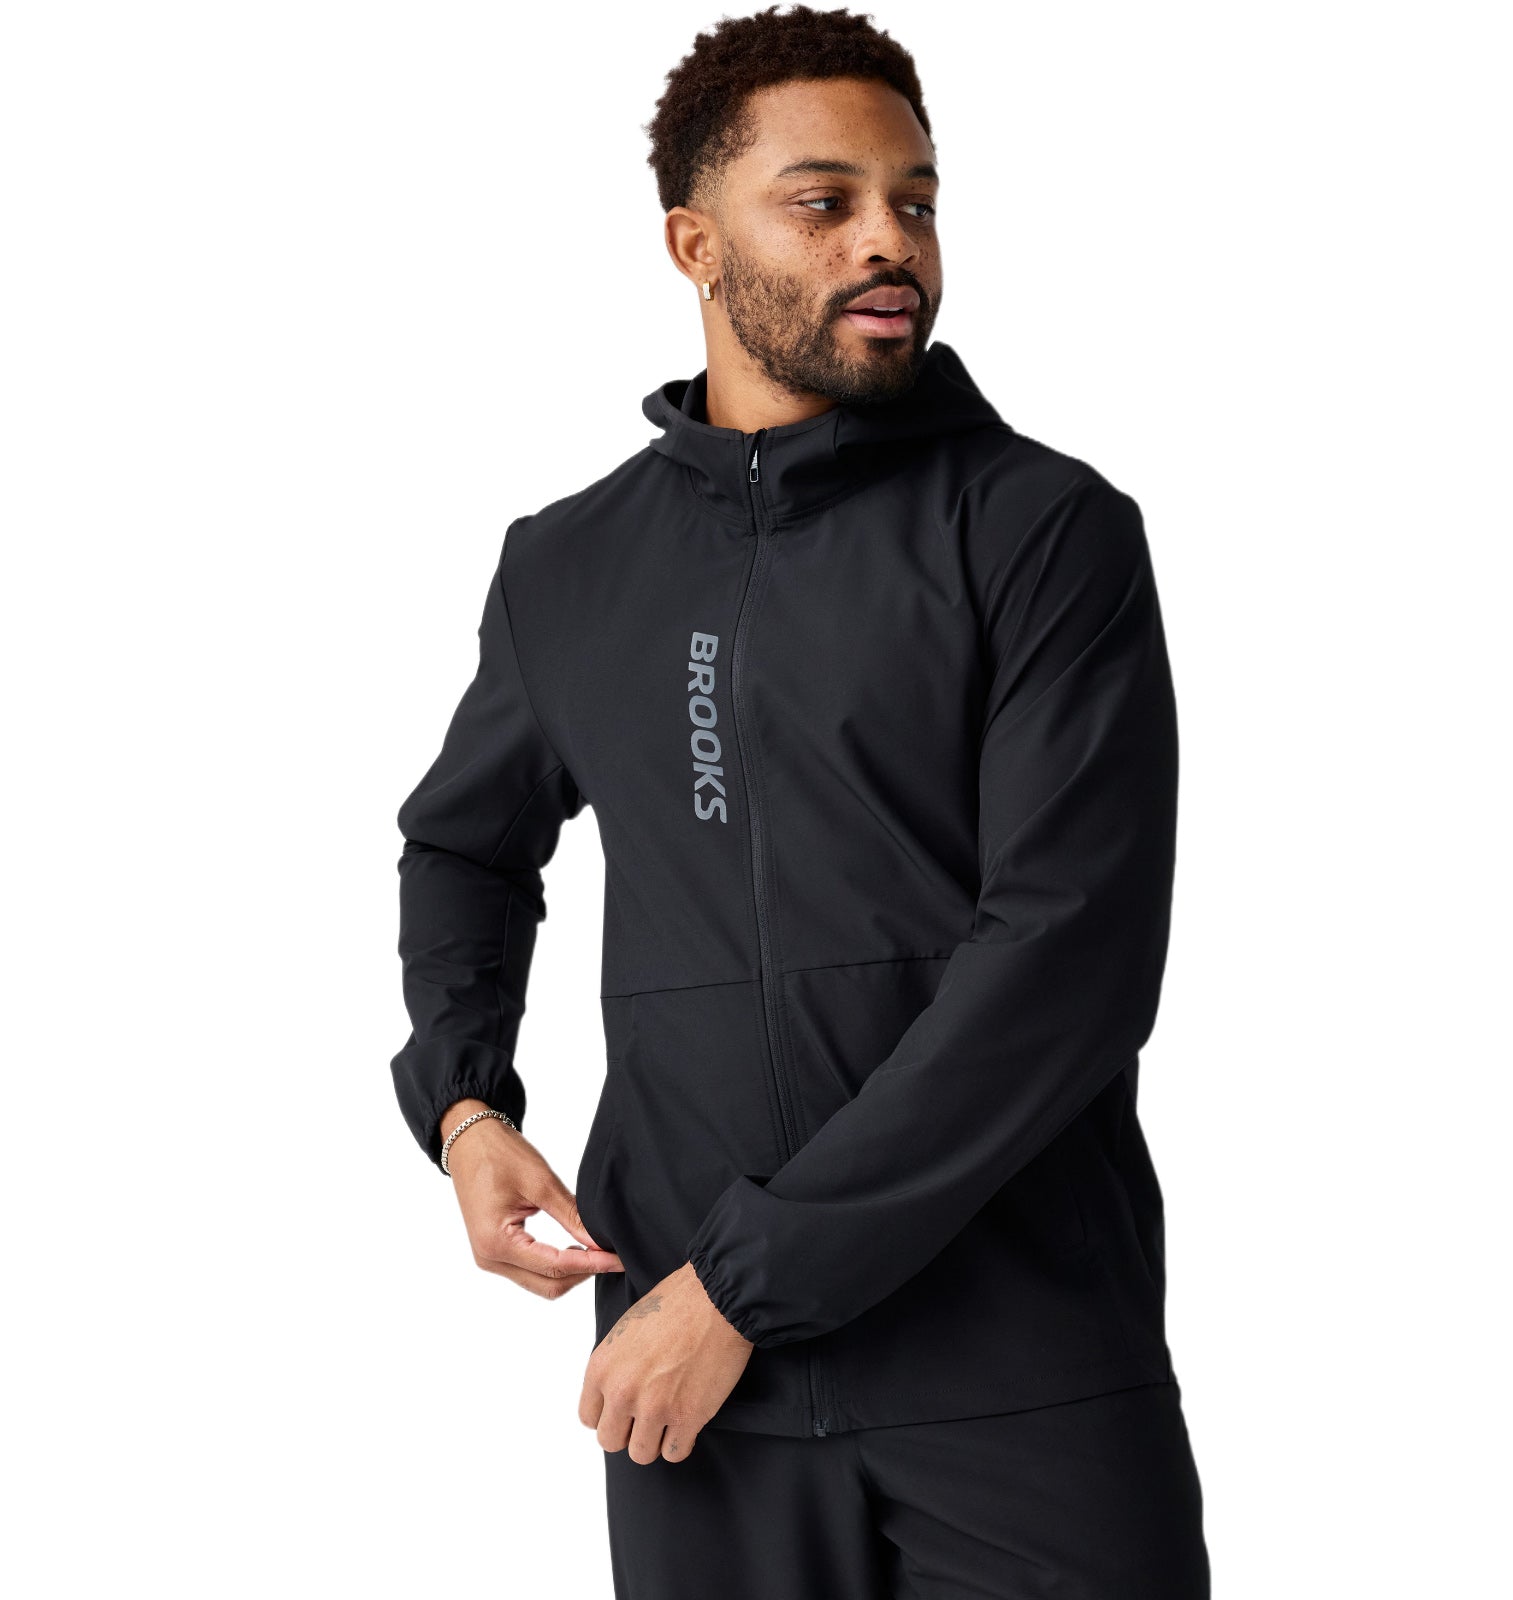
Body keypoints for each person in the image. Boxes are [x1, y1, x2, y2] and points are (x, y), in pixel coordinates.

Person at [388, 6, 1210, 1595]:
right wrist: (465, 1108)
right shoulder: (569, 566)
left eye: (917, 199)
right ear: (695, 245)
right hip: (701, 1407)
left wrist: (741, 1289)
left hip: (1015, 1374)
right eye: (824, 202)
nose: (889, 240)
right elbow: (463, 844)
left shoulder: (1041, 532)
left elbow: (1068, 964)